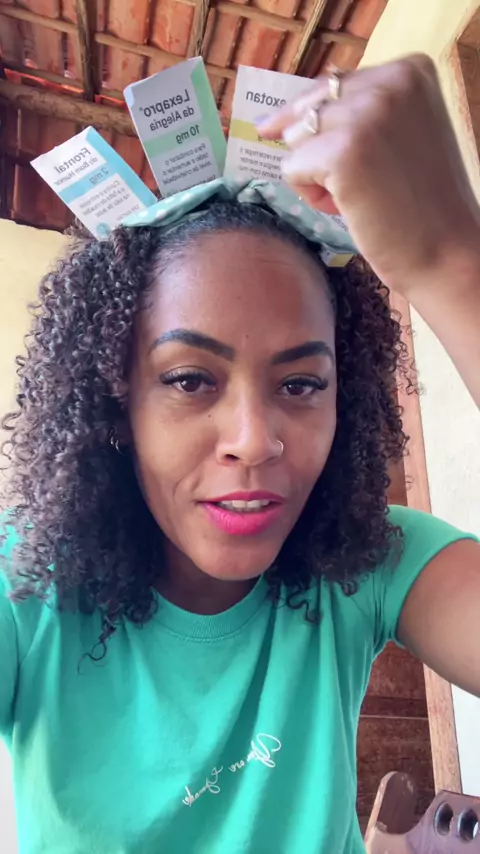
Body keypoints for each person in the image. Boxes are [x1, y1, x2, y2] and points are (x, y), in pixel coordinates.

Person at [0, 54, 479, 854]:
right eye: (190, 379)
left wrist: (454, 264)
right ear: (118, 402)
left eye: (301, 384)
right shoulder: (25, 580)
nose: (255, 440)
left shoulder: (367, 559)